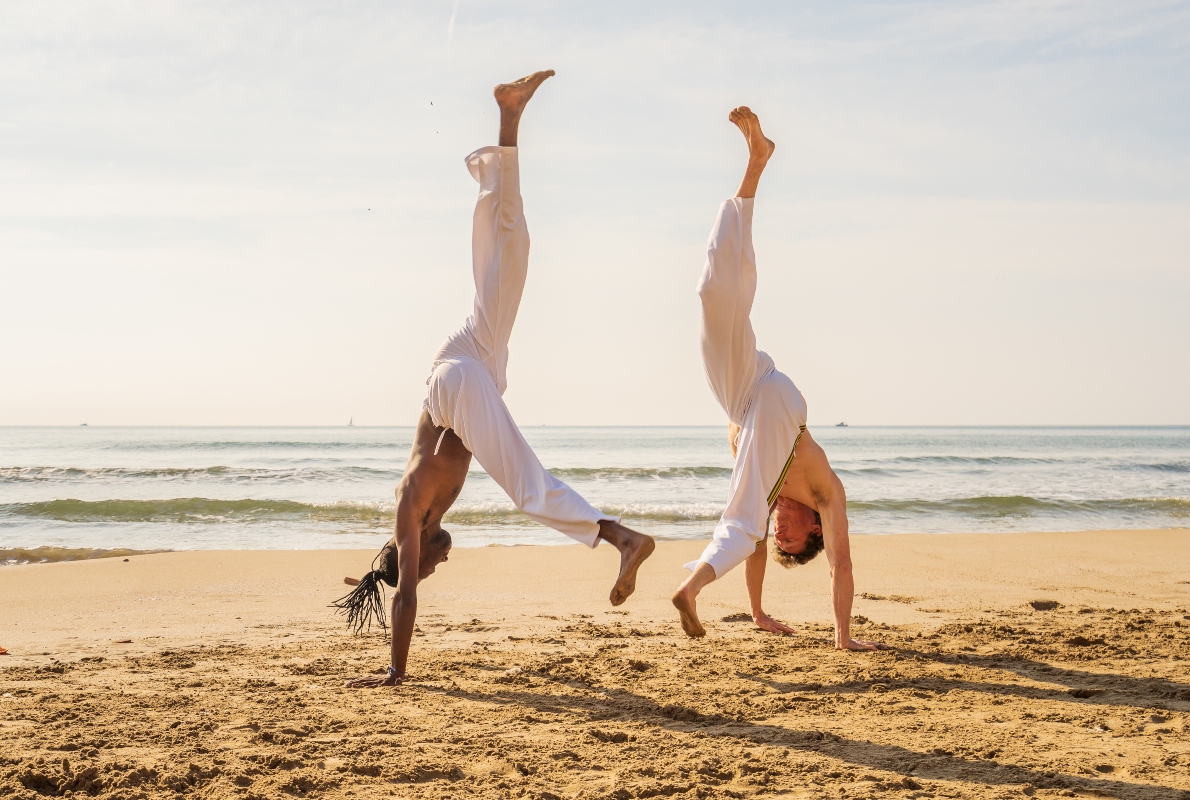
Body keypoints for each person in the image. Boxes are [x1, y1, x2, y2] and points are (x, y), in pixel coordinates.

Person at [337, 71, 656, 688]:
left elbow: (403, 597)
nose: (435, 566)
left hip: (454, 382)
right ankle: (509, 119)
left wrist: (395, 670)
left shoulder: (409, 512)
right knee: (510, 253)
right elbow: (394, 581)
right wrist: (376, 575)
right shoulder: (426, 519)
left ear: (414, 556)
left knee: (522, 482)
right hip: (475, 371)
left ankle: (618, 537)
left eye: (427, 568)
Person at [671, 106, 884, 651]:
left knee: (719, 294)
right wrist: (843, 637)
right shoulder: (825, 491)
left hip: (741, 395)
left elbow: (757, 545)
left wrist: (759, 612)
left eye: (780, 541)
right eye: (794, 539)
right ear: (813, 526)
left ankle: (755, 166)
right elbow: (843, 564)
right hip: (776, 396)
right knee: (744, 516)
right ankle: (691, 586)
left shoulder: (764, 489)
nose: (783, 536)